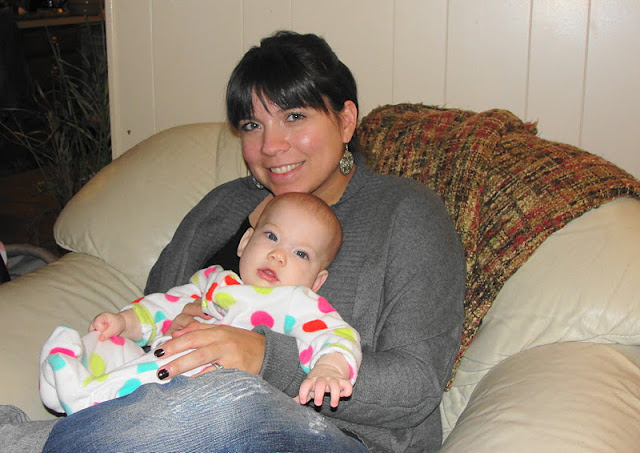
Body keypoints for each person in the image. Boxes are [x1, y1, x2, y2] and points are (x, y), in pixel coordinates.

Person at [2, 30, 465, 452]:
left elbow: (417, 385)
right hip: (171, 417)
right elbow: (151, 310)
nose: (270, 145)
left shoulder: (406, 212)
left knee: (228, 402)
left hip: (339, 437)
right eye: (251, 125)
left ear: (346, 121)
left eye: (294, 116)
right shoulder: (222, 205)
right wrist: (170, 328)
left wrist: (261, 357)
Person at [39, 192, 361, 415]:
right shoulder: (213, 280)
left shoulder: (295, 301)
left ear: (317, 281)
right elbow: (164, 307)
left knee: (156, 373)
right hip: (158, 362)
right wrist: (125, 322)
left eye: (300, 253)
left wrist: (329, 368)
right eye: (272, 237)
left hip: (212, 394)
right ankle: (69, 379)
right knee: (107, 342)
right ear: (245, 242)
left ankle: (85, 396)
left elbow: (336, 334)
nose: (278, 255)